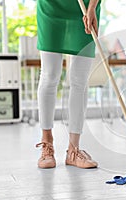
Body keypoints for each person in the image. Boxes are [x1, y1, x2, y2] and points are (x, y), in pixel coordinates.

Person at [35, 0, 101, 169]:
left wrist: (92, 7)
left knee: (80, 80)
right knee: (50, 75)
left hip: (86, 8)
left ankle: (74, 150)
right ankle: (47, 144)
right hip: (51, 7)